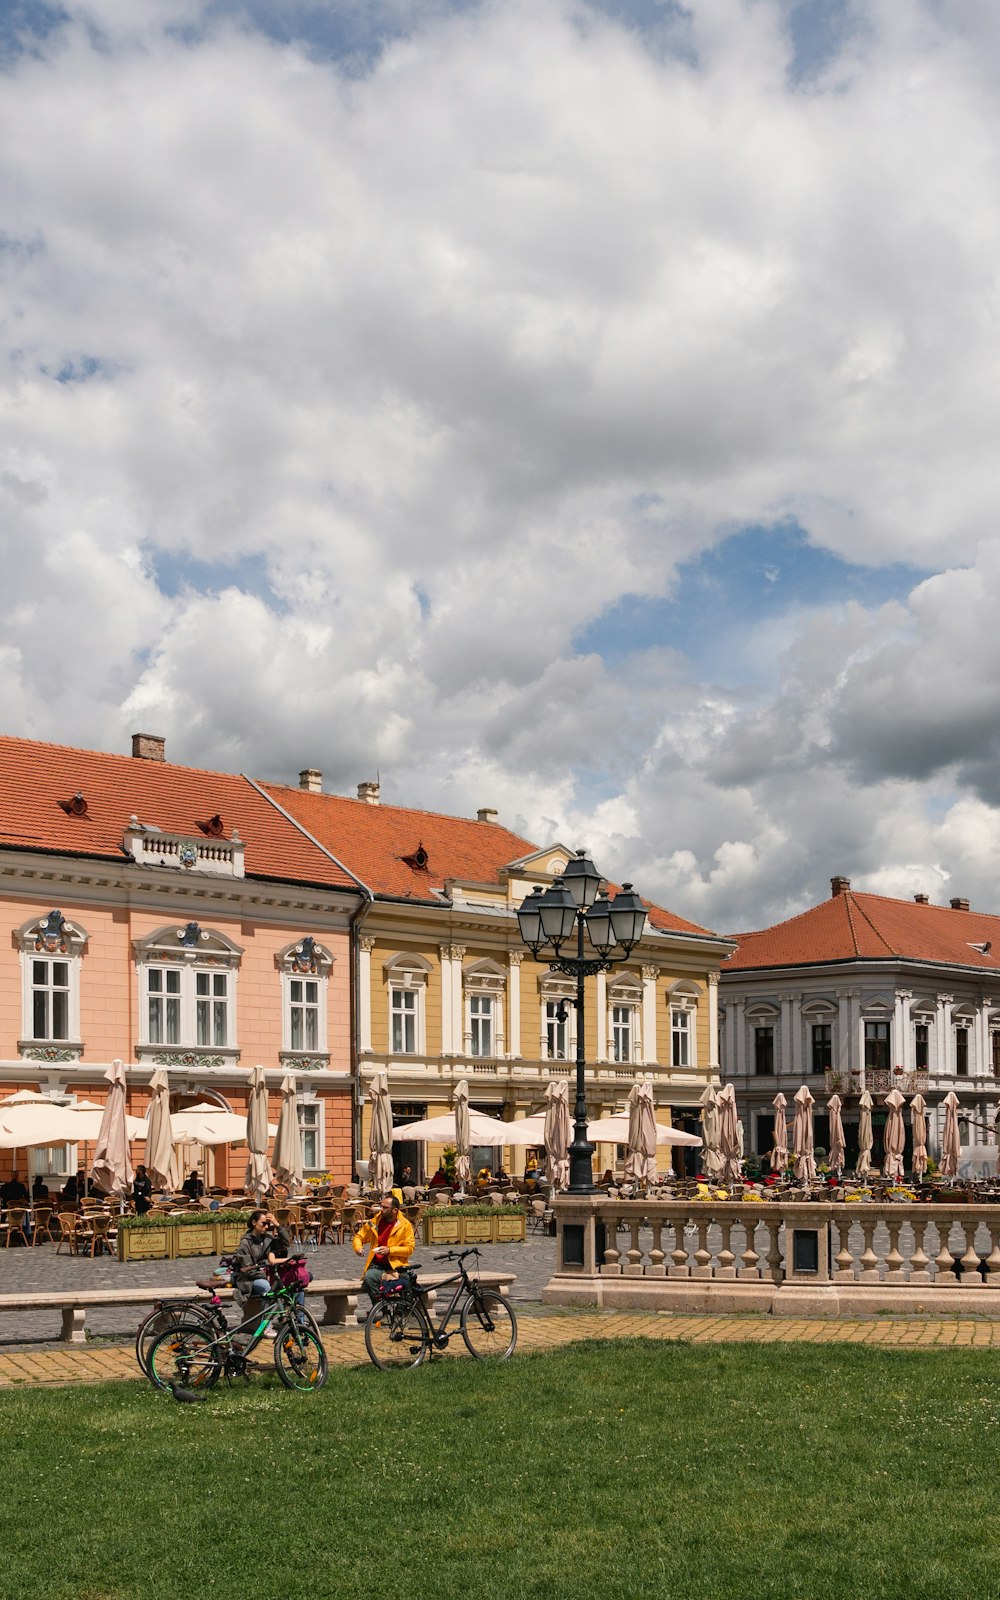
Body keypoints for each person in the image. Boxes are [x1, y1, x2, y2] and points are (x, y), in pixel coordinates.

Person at [352, 1193, 415, 1302]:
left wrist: (390, 1251)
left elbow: (409, 1249)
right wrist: (358, 1248)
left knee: (407, 1280)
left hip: (397, 1265)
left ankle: (405, 1309)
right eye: (381, 1206)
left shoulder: (405, 1225)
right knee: (369, 1278)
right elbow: (359, 1236)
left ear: (394, 1210)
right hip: (378, 1265)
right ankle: (381, 1306)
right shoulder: (375, 1222)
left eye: (385, 1207)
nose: (381, 1209)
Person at [230, 1209, 283, 1337]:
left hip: (262, 1276)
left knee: (290, 1285)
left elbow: (286, 1243)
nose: (266, 1226)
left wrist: (277, 1225)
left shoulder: (267, 1239)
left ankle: (297, 1321)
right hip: (247, 1279)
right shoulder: (246, 1242)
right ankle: (266, 1325)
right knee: (266, 1287)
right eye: (263, 1223)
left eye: (268, 1224)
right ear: (254, 1222)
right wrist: (263, 1272)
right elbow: (248, 1269)